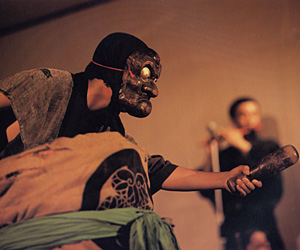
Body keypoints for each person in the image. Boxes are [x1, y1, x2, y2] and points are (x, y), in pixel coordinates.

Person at [0, 33, 262, 250]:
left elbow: (151, 169)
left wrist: (224, 178)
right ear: (114, 66)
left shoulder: (110, 130)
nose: (151, 88)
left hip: (47, 226)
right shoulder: (52, 84)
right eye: (143, 72)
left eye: (153, 78)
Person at [199, 97, 284, 250]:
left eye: (254, 113)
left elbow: (274, 186)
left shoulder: (270, 146)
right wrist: (211, 154)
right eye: (243, 114)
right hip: (235, 227)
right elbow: (207, 190)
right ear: (234, 119)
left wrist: (243, 146)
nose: (250, 119)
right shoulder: (226, 154)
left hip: (264, 223)